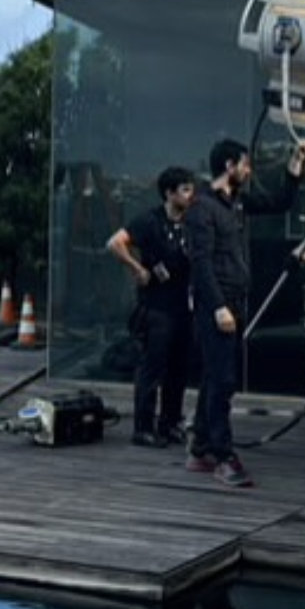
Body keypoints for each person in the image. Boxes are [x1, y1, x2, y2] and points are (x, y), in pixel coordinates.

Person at [186, 137, 305, 487]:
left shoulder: (237, 202)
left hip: (236, 300)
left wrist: (295, 166)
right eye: (244, 164)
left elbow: (279, 202)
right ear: (229, 166)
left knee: (215, 376)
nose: (249, 170)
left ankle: (200, 447)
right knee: (223, 380)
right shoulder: (202, 208)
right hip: (218, 304)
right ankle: (223, 455)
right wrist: (218, 307)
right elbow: (200, 263)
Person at [106, 166, 195, 447]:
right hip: (157, 307)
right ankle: (143, 427)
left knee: (178, 369)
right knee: (152, 368)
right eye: (184, 190)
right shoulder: (150, 221)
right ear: (169, 193)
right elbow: (115, 243)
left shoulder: (191, 222)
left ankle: (170, 422)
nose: (190, 195)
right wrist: (137, 268)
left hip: (183, 305)